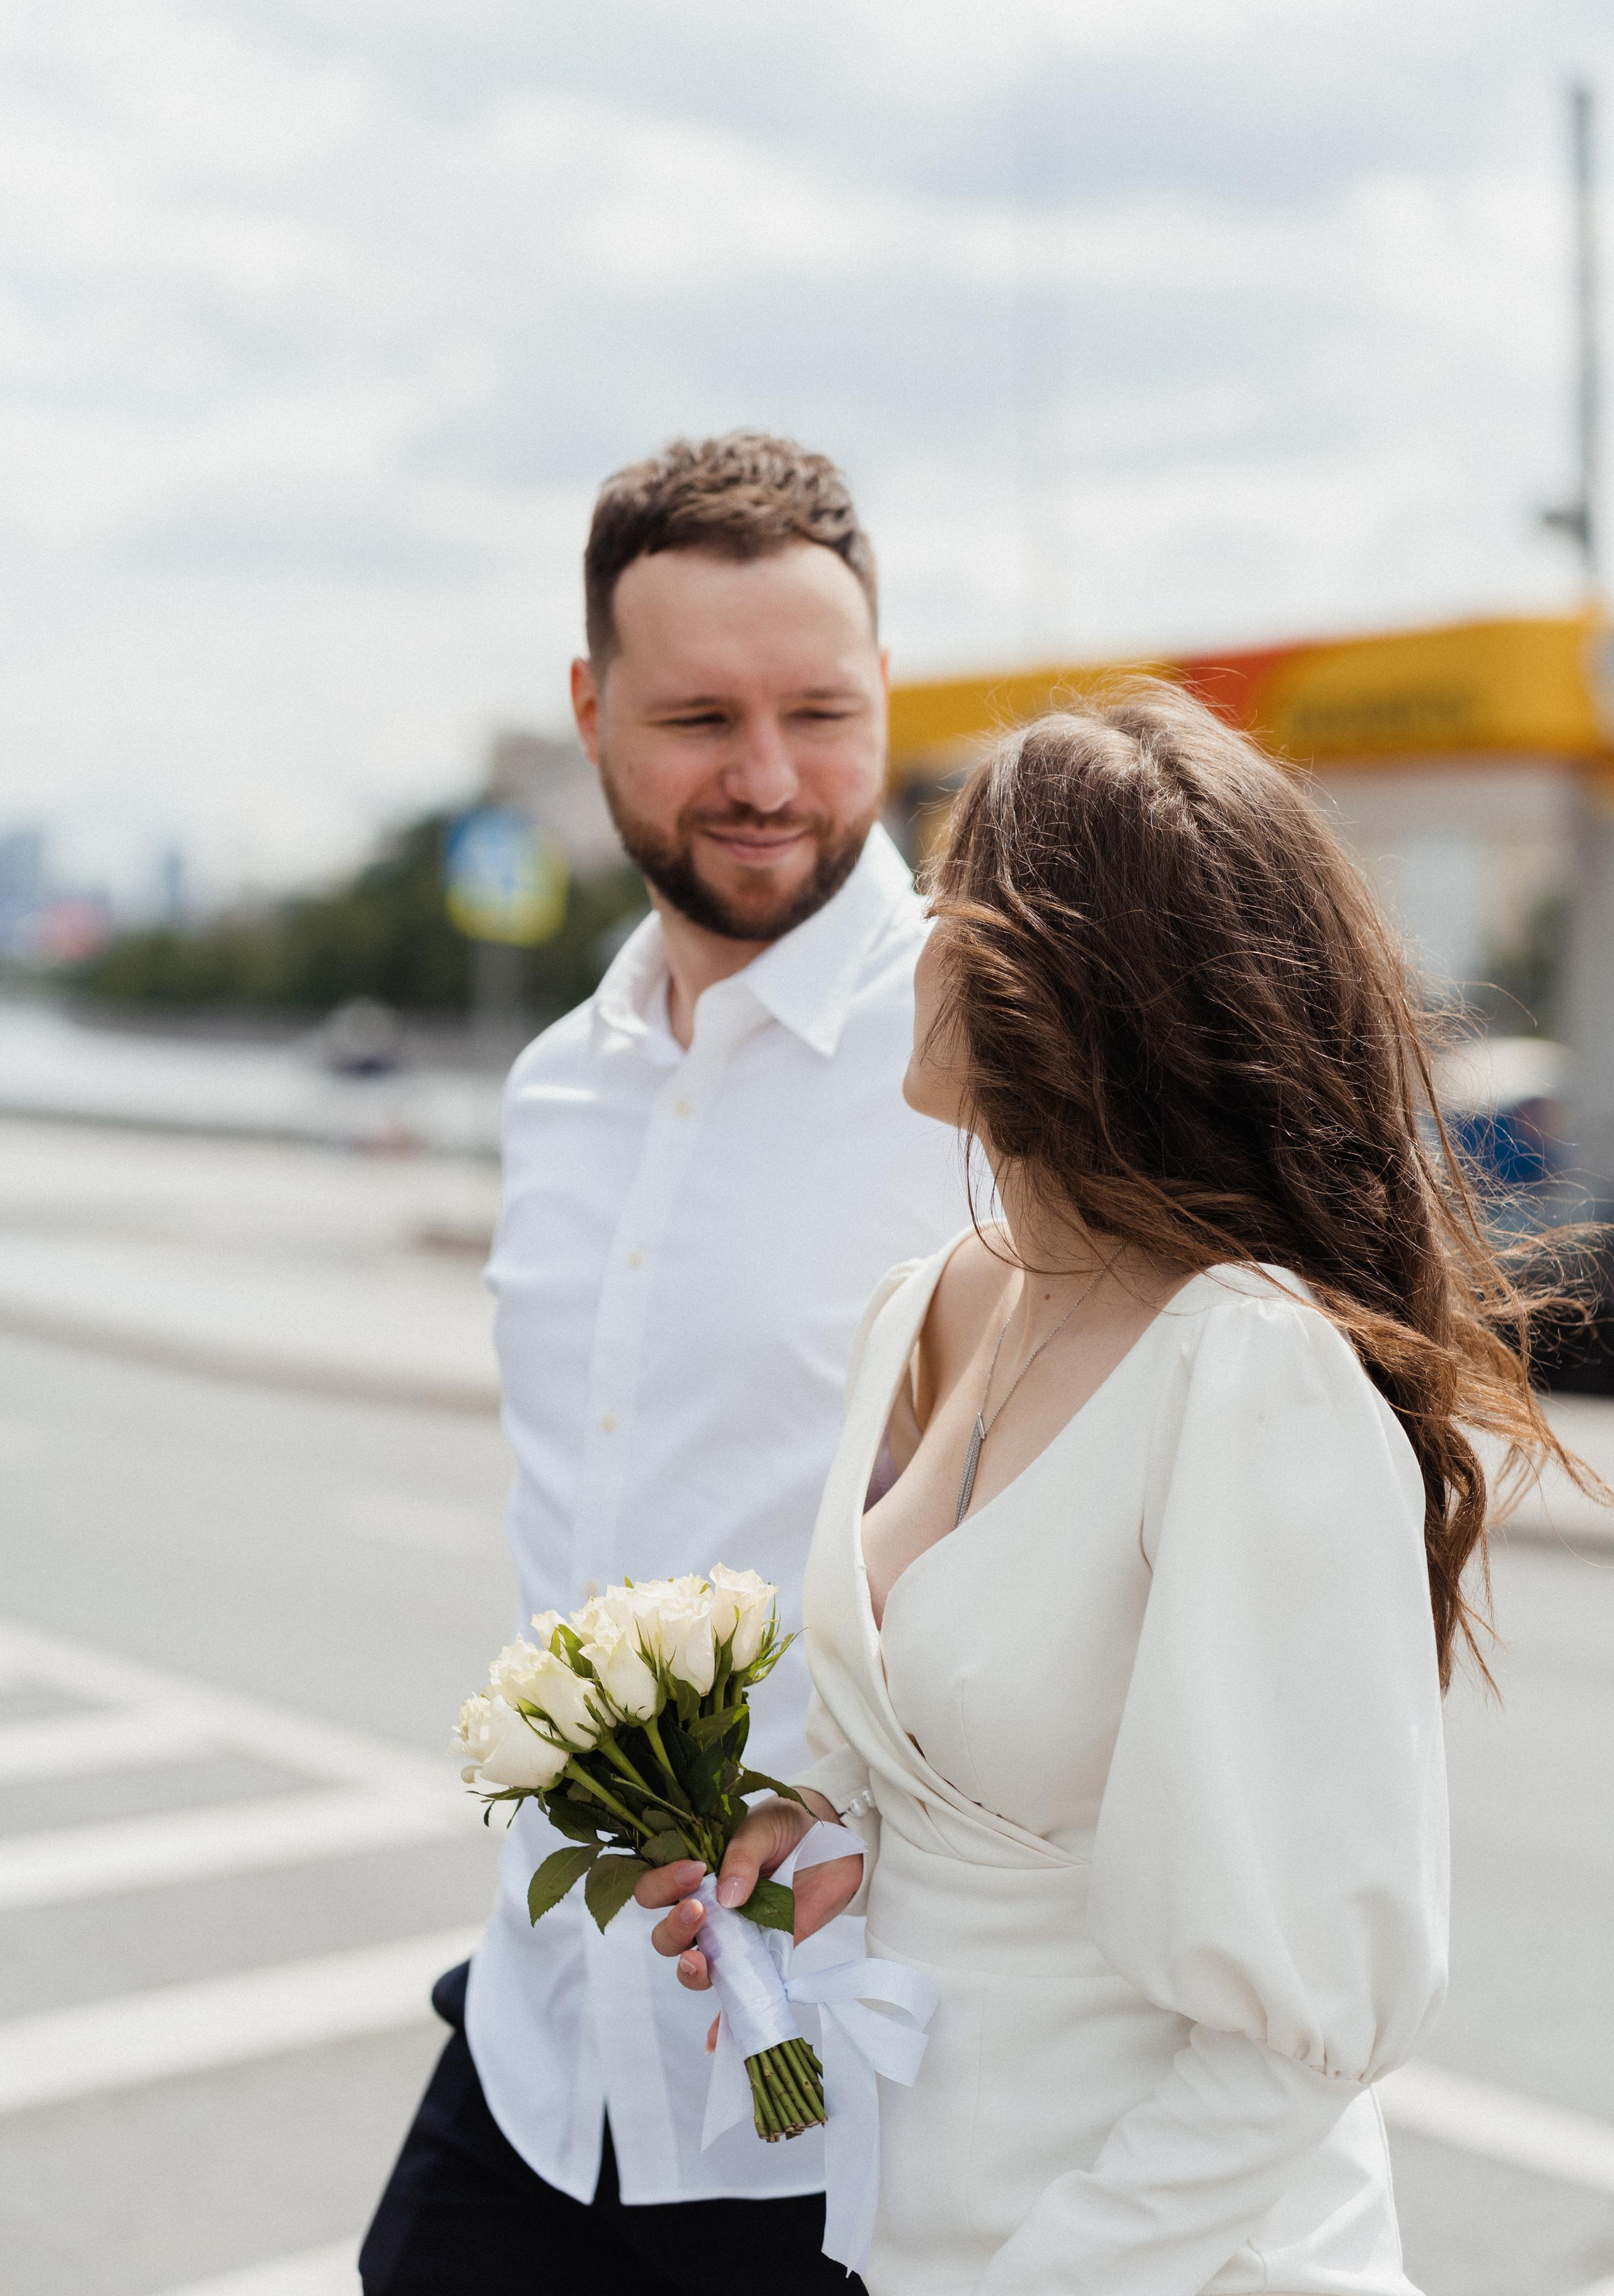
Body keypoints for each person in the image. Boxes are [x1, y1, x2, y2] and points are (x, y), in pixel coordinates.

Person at [643, 688, 1597, 2294]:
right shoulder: (928, 1305)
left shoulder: (1249, 1371)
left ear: (1063, 976)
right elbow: (979, 1757)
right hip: (917, 2233)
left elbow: (1299, 2044)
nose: (917, 939)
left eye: (952, 899)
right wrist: (818, 1834)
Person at [359, 433, 966, 2293]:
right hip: (550, 2042)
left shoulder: (994, 1067)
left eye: (822, 710)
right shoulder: (555, 1087)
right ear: (590, 709)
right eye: (701, 715)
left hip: (833, 2088)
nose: (770, 778)